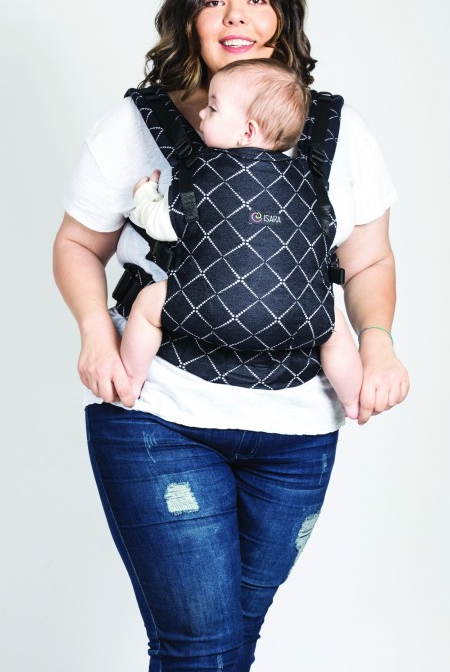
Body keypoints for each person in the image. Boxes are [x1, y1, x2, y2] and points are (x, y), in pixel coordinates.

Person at [52, 0, 410, 672]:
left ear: (282, 17)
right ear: (191, 19)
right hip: (159, 413)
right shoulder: (139, 126)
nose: (236, 15)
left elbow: (368, 262)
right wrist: (95, 334)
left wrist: (375, 342)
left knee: (224, 642)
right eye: (214, 0)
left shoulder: (335, 130)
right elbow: (79, 244)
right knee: (199, 639)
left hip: (296, 433)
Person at [121, 58, 363, 419]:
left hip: (209, 307)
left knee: (147, 305)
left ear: (246, 132)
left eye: (213, 108)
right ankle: (353, 400)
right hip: (296, 316)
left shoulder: (205, 175)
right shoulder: (308, 182)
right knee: (336, 329)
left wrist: (145, 195)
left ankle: (130, 381)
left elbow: (160, 224)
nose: (202, 113)